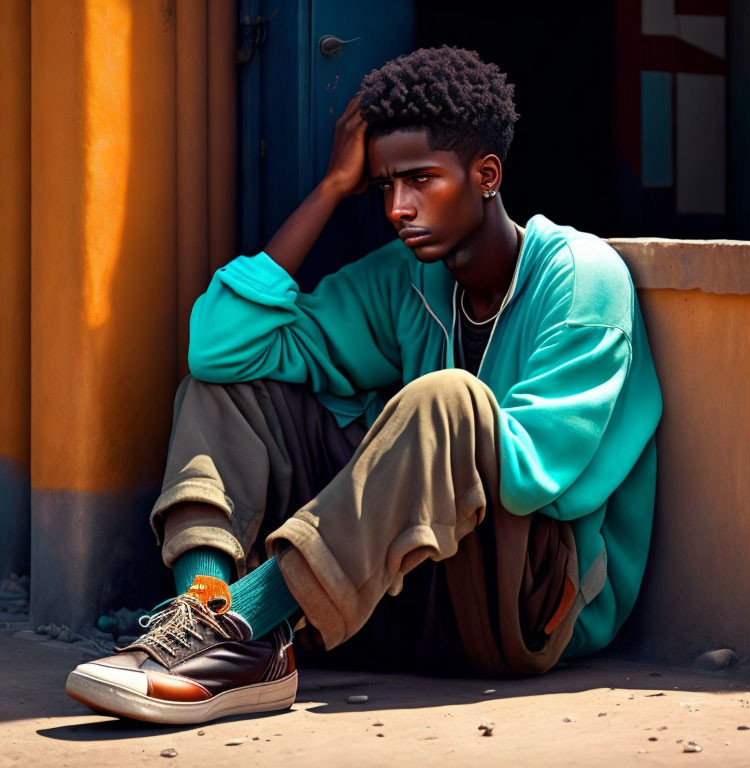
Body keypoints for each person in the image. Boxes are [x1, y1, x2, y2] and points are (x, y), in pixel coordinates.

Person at [65, 45, 662, 725]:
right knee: (228, 391)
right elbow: (222, 350)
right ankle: (212, 622)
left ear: (486, 174)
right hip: (397, 592)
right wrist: (328, 189)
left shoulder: (583, 278)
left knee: (449, 400)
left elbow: (532, 480)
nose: (397, 208)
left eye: (421, 181)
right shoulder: (405, 282)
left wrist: (414, 432)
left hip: (524, 607)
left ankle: (243, 627)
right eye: (384, 187)